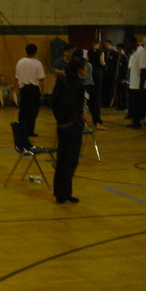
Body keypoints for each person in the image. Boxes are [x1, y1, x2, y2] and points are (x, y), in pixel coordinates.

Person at [51, 57, 87, 204]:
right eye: (84, 67)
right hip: (73, 125)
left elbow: (54, 101)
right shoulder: (78, 85)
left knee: (62, 159)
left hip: (62, 124)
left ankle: (62, 192)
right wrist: (79, 116)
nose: (86, 70)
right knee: (70, 160)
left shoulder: (62, 81)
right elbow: (76, 104)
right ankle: (64, 192)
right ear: (79, 69)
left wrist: (60, 117)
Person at [15, 44, 44, 136]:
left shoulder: (20, 62)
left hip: (23, 88)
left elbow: (17, 77)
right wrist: (42, 90)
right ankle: (30, 131)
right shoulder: (37, 63)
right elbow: (41, 79)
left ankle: (20, 130)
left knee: (23, 110)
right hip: (33, 89)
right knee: (32, 111)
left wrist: (17, 87)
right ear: (35, 51)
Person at [127, 37, 146, 128]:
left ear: (134, 43)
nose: (128, 45)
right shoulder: (135, 53)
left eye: (129, 43)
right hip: (135, 84)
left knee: (138, 104)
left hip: (140, 85)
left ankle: (136, 122)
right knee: (145, 103)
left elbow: (144, 69)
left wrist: (141, 84)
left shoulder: (141, 52)